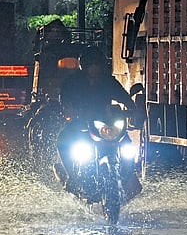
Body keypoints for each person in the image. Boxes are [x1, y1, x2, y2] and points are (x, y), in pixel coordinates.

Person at [56, 46, 138, 195]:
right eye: (91, 65)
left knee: (126, 144)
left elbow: (124, 97)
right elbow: (64, 99)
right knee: (63, 141)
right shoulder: (72, 82)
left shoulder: (108, 81)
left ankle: (129, 173)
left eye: (97, 65)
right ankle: (72, 177)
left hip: (106, 122)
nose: (94, 69)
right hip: (81, 122)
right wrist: (69, 110)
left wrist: (132, 108)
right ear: (84, 66)